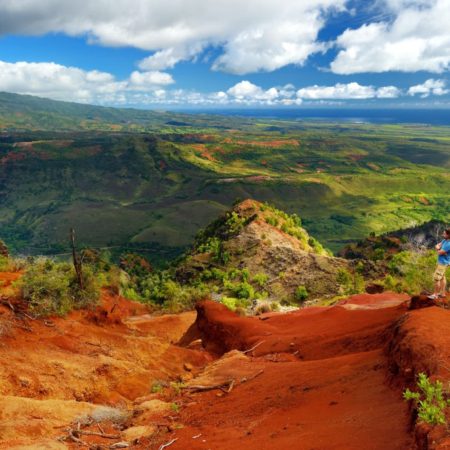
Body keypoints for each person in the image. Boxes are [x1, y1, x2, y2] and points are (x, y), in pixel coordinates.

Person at [428, 228, 450, 300]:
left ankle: (435, 295)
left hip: (443, 263)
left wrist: (438, 249)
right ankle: (442, 293)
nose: (443, 234)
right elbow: (437, 245)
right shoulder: (444, 240)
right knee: (442, 277)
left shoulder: (449, 244)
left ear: (449, 235)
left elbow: (440, 252)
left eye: (444, 234)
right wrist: (438, 248)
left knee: (436, 278)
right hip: (441, 262)